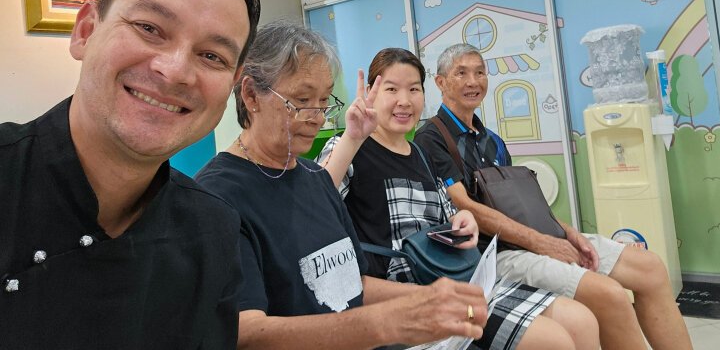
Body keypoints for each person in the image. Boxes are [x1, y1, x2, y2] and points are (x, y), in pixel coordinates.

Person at [0, 0, 261, 349]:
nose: (175, 71)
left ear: (231, 83)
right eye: (149, 28)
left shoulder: (213, 227)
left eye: (212, 56)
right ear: (86, 31)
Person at [194, 22, 489, 350]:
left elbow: (353, 284)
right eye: (302, 100)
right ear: (251, 94)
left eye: (324, 101)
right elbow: (246, 334)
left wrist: (432, 297)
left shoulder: (313, 178)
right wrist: (385, 323)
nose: (318, 117)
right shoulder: (219, 197)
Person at [414, 43, 693, 350]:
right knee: (610, 293)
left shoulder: (492, 140)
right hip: (495, 254)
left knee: (650, 268)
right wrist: (544, 243)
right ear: (440, 82)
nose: (473, 81)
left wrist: (569, 235)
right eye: (461, 73)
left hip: (533, 238)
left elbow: (526, 204)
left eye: (480, 72)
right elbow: (464, 206)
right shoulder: (432, 137)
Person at [318, 48, 599, 350]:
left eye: (414, 89)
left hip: (451, 277)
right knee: (552, 341)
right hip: (402, 294)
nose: (404, 100)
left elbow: (447, 215)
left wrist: (461, 221)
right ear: (371, 93)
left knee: (581, 320)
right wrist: (352, 137)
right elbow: (316, 201)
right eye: (391, 89)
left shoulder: (421, 154)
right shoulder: (349, 147)